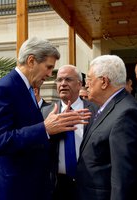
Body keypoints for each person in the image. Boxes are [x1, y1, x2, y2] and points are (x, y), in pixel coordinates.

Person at [0, 37, 91, 200]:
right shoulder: (5, 88)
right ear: (31, 61)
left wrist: (59, 125)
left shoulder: (27, 88)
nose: (50, 74)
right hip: (14, 190)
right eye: (48, 67)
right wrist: (45, 128)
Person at [76, 55, 137, 200]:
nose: (86, 85)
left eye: (89, 80)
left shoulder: (126, 114)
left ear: (103, 82)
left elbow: (124, 179)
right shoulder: (107, 108)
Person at [42, 65, 98, 200]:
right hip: (56, 186)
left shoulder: (96, 111)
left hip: (89, 183)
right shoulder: (45, 112)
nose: (63, 84)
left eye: (68, 79)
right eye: (59, 80)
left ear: (79, 84)